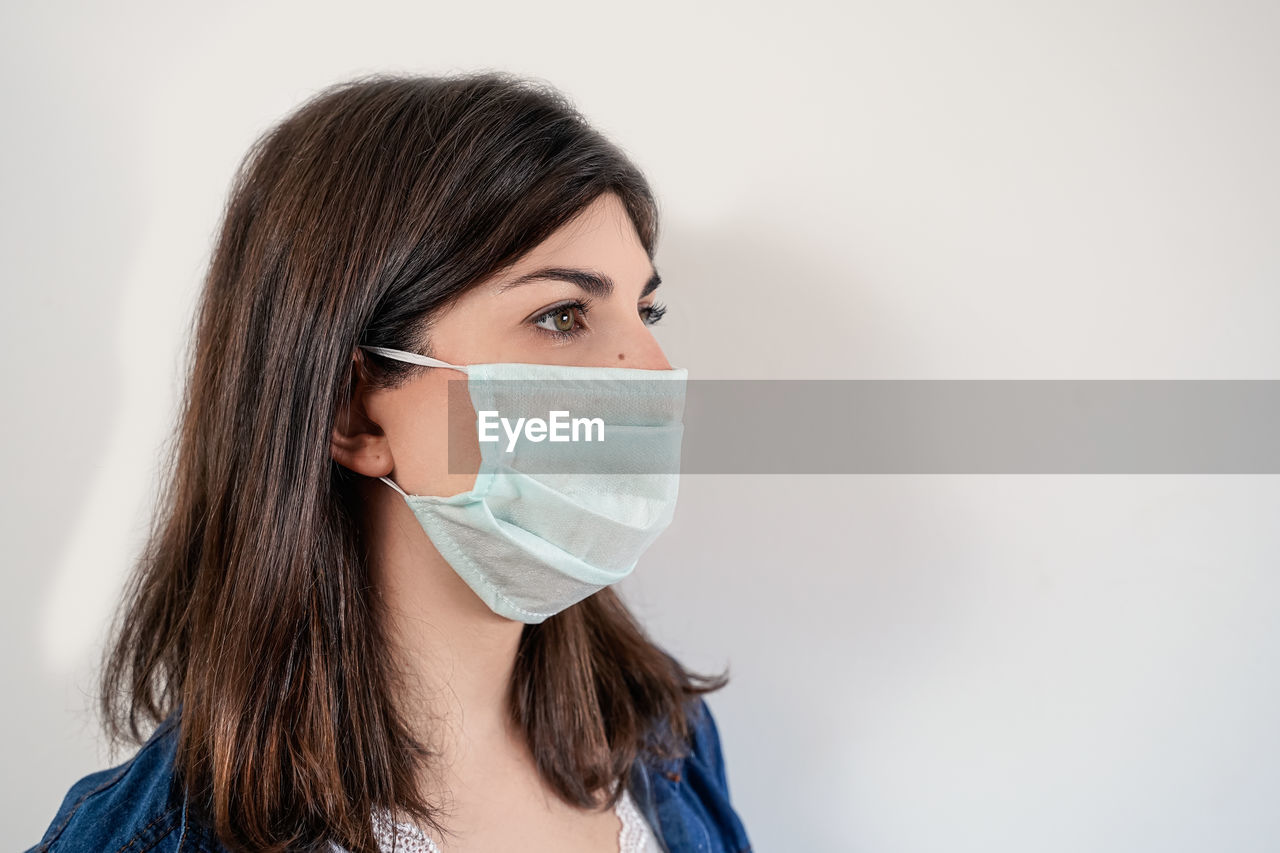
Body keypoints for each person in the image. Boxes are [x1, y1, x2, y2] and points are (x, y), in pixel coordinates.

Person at [28, 72, 752, 853]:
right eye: (561, 316)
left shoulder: (667, 738)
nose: (652, 370)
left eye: (645, 310)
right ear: (355, 412)